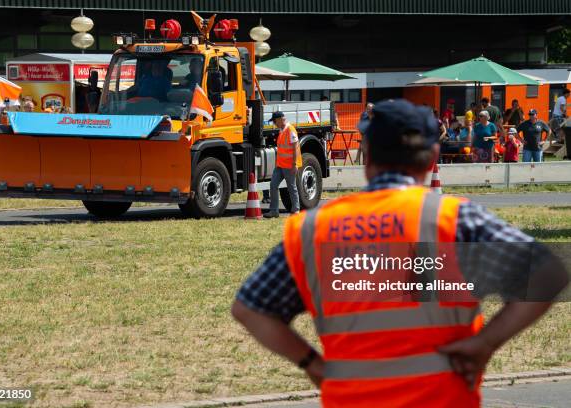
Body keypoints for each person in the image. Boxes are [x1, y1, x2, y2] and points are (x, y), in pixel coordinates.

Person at [232, 99, 567, 408]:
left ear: (367, 154)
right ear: (433, 156)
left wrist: (312, 363)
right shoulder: (455, 220)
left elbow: (250, 308)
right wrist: (485, 343)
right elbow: (547, 273)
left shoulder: (312, 229)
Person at [263, 111, 302, 218]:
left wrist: (294, 164)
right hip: (280, 165)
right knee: (273, 185)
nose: (274, 123)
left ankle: (296, 210)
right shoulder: (282, 130)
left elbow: (295, 148)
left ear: (280, 119)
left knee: (291, 187)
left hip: (289, 165)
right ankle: (274, 211)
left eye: (275, 121)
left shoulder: (290, 130)